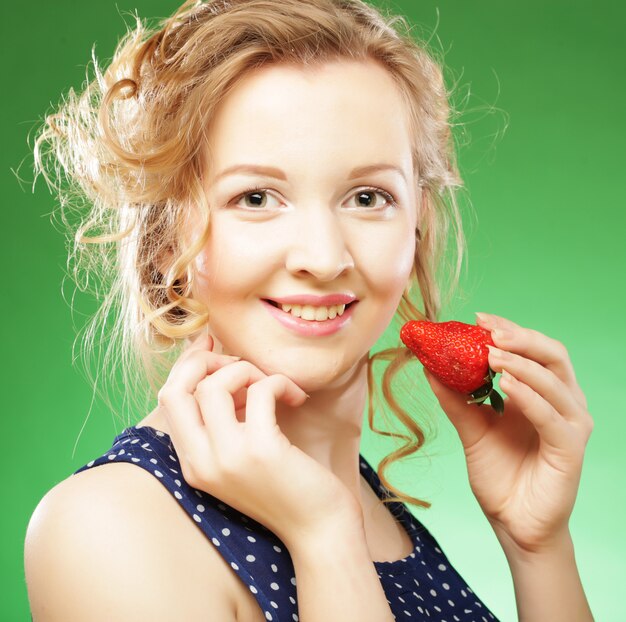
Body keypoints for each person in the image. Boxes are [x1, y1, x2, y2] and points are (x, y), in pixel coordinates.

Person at [24, 0, 595, 620]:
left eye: (368, 196)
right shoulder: (112, 527)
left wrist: (535, 545)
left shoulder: (369, 500)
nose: (323, 258)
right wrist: (324, 539)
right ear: (168, 240)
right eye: (257, 196)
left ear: (417, 228)